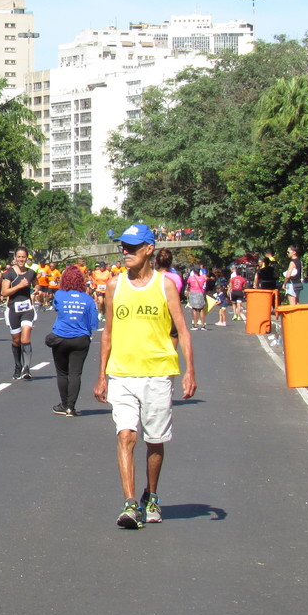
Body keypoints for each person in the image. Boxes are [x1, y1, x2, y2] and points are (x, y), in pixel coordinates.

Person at [94, 223, 196, 530]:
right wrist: (102, 376)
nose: (125, 252)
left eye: (132, 247)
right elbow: (107, 333)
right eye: (123, 247)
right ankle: (129, 504)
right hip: (122, 373)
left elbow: (182, 330)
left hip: (158, 373)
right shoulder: (115, 285)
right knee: (126, 435)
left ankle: (151, 495)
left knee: (154, 440)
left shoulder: (166, 285)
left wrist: (189, 371)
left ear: (149, 249)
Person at [45, 265, 99, 416]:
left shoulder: (59, 295)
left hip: (61, 338)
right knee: (76, 373)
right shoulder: (88, 299)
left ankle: (64, 404)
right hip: (81, 339)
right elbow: (94, 323)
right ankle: (71, 407)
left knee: (62, 373)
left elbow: (57, 308)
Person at [0, 246, 40, 380]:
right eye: (19, 257)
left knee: (25, 338)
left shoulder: (31, 272)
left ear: (27, 258)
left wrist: (36, 289)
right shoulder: (9, 274)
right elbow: (4, 292)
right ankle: (18, 365)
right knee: (16, 340)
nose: (21, 259)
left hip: (27, 309)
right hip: (13, 309)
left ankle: (27, 368)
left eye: (23, 257)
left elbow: (36, 283)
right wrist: (19, 286)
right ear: (15, 258)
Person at [184, 265, 208, 331]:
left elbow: (188, 285)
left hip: (193, 293)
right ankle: (203, 325)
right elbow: (204, 284)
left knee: (194, 309)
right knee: (201, 309)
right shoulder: (203, 278)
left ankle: (195, 325)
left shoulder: (191, 278)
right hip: (200, 293)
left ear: (193, 271)